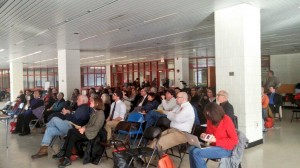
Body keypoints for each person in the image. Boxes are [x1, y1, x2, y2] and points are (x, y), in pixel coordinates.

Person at [31, 95, 91, 159]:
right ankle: (43, 151)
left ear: (84, 101)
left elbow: (74, 120)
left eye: (78, 99)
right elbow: (76, 117)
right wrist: (69, 112)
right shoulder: (82, 108)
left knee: (54, 119)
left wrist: (66, 113)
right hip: (68, 125)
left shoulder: (84, 109)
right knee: (49, 130)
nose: (77, 100)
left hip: (72, 128)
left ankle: (45, 126)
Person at [52, 97, 105, 168]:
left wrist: (84, 129)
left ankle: (64, 152)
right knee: (71, 132)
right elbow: (89, 124)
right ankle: (65, 155)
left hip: (92, 134)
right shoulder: (94, 112)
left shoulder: (100, 113)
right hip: (88, 132)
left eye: (92, 102)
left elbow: (96, 127)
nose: (90, 103)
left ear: (97, 103)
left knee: (72, 132)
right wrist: (83, 127)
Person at [189, 102, 238, 168]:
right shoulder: (210, 119)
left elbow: (234, 140)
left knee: (197, 152)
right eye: (207, 114)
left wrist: (216, 140)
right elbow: (209, 134)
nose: (208, 115)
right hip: (213, 146)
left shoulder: (226, 120)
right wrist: (204, 135)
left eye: (209, 114)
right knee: (191, 149)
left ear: (215, 112)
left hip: (226, 149)